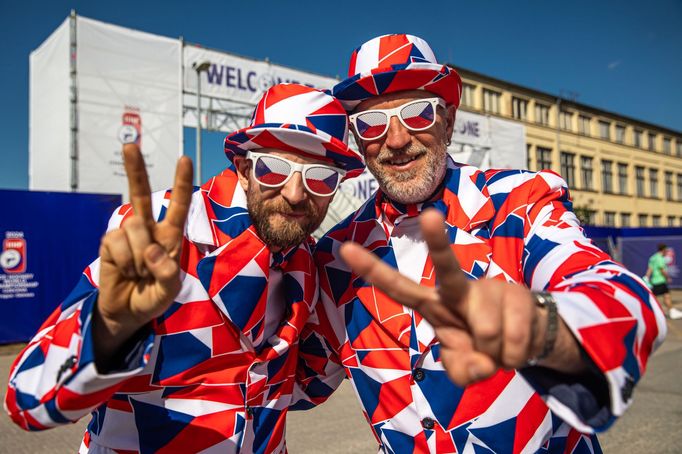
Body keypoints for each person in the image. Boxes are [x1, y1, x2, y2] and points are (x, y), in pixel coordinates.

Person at [301, 34, 667, 453]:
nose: (397, 139)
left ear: (448, 122)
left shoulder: (519, 202)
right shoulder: (337, 256)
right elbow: (300, 383)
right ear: (358, 140)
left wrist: (542, 328)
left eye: (417, 113)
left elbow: (617, 296)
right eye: (371, 123)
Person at [5, 84, 364, 453]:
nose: (295, 193)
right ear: (242, 170)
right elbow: (29, 402)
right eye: (272, 168)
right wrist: (111, 329)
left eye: (321, 177)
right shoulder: (165, 231)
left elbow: (298, 393)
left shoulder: (305, 261)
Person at [645, 243, 680, 318]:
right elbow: (662, 270)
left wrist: (647, 277)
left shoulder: (653, 257)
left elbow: (650, 269)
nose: (667, 252)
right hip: (659, 281)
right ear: (663, 250)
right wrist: (667, 278)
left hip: (655, 281)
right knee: (655, 298)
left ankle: (671, 311)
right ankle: (649, 312)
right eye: (666, 250)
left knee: (666, 295)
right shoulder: (660, 258)